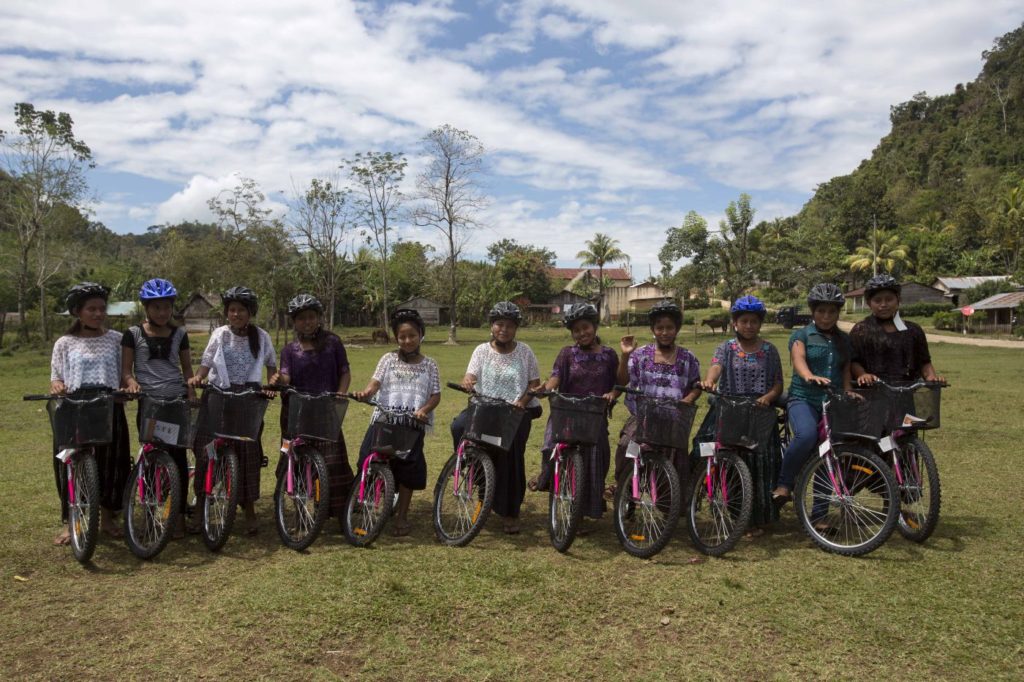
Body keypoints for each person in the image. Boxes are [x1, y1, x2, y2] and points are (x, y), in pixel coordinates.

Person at [188, 286, 278, 535]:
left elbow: (272, 366)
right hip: (218, 396)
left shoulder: (262, 337)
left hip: (248, 398)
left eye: (241, 310)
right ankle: (200, 511)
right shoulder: (220, 334)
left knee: (248, 455)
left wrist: (271, 385)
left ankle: (248, 512)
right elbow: (206, 363)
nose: (236, 314)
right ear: (227, 312)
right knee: (207, 453)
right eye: (232, 310)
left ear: (250, 312)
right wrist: (198, 379)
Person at [49, 282, 131, 544]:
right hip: (74, 410)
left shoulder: (117, 339)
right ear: (77, 311)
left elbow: (125, 374)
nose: (97, 314)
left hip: (108, 407)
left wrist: (128, 386)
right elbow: (56, 378)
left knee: (112, 464)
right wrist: (58, 385)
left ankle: (108, 519)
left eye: (101, 309)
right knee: (70, 466)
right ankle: (72, 520)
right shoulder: (64, 342)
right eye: (91, 309)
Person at [694, 295, 784, 534]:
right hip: (730, 410)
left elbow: (778, 384)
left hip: (759, 413)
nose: (749, 325)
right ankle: (696, 500)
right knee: (703, 447)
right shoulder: (726, 348)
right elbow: (715, 366)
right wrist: (711, 381)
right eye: (744, 321)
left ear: (760, 323)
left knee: (759, 466)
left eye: (754, 321)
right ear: (735, 323)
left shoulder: (770, 350)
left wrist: (767, 397)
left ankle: (759, 517)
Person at [451, 301, 541, 534]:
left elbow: (534, 384)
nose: (504, 329)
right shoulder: (481, 350)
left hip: (515, 411)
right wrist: (468, 383)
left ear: (516, 328)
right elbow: (469, 376)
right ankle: (472, 468)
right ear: (492, 326)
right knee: (458, 425)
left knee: (509, 457)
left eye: (509, 325)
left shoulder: (525, 352)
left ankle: (510, 512)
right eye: (499, 324)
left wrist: (521, 402)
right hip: (485, 407)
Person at [352, 308, 441, 536]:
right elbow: (375, 384)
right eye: (402, 336)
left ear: (421, 334)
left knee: (408, 470)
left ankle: (401, 516)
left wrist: (424, 410)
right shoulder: (388, 359)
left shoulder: (430, 365)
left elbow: (435, 395)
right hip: (384, 420)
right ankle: (367, 502)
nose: (407, 340)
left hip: (412, 425)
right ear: (396, 338)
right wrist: (366, 393)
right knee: (366, 460)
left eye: (412, 335)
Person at [528, 303, 618, 522]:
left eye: (585, 327)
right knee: (555, 452)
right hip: (567, 414)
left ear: (595, 326)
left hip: (594, 418)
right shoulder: (567, 353)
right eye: (576, 330)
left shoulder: (609, 355)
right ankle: (549, 482)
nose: (581, 333)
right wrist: (546, 388)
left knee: (594, 462)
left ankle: (586, 509)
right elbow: (556, 376)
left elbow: (617, 382)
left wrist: (612, 395)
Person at [121, 278, 195, 538]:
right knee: (150, 458)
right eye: (157, 308)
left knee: (177, 459)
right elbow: (126, 371)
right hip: (150, 403)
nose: (162, 313)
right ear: (146, 308)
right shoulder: (133, 334)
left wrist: (191, 392)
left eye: (167, 307)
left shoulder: (180, 334)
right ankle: (150, 514)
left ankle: (178, 518)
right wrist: (131, 384)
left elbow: (187, 370)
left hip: (175, 403)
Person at [771, 283, 852, 515]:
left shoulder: (844, 340)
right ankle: (784, 485)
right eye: (821, 311)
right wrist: (809, 376)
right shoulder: (802, 335)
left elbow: (845, 368)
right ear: (813, 311)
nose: (826, 316)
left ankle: (819, 515)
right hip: (803, 398)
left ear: (838, 313)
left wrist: (847, 390)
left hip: (832, 401)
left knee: (829, 450)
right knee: (806, 435)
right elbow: (799, 359)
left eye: (831, 312)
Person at [277, 294, 354, 525]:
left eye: (311, 317)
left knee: (333, 464)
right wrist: (278, 379)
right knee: (296, 462)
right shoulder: (290, 350)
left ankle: (340, 514)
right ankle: (301, 514)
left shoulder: (333, 342)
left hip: (326, 410)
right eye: (301, 319)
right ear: (294, 322)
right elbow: (286, 376)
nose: (307, 322)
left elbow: (345, 372)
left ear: (318, 318)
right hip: (296, 412)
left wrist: (340, 393)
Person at [611, 300, 701, 498]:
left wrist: (688, 399)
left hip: (674, 419)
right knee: (627, 446)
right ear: (653, 329)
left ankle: (669, 503)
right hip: (642, 419)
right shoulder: (640, 355)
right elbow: (623, 380)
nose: (665, 332)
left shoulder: (688, 358)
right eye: (660, 328)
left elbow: (696, 386)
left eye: (669, 327)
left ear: (677, 329)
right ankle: (625, 488)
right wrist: (625, 356)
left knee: (677, 459)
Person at [849, 274, 944, 385]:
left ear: (898, 300)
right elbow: (853, 361)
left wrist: (932, 378)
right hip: (872, 393)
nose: (883, 304)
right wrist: (862, 374)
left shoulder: (913, 330)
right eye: (877, 300)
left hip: (905, 393)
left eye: (889, 299)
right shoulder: (861, 330)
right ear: (869, 303)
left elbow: (924, 362)